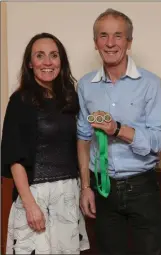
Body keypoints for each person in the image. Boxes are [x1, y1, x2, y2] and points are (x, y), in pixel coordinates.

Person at [77, 8, 161, 255]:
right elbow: (84, 138)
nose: (110, 43)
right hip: (102, 189)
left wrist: (117, 129)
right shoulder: (85, 85)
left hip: (143, 188)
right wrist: (86, 187)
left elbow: (159, 140)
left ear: (129, 41)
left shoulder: (151, 83)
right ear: (95, 42)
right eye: (103, 36)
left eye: (118, 36)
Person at [1, 32, 90, 254]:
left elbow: (80, 144)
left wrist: (83, 188)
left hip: (68, 194)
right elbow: (14, 157)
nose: (48, 62)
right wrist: (30, 206)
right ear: (30, 63)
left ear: (62, 61)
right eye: (40, 56)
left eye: (54, 55)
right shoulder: (19, 101)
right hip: (34, 195)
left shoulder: (71, 98)